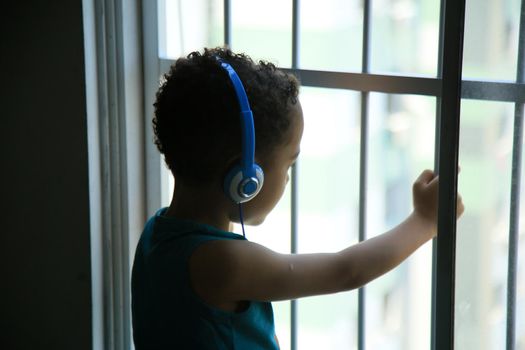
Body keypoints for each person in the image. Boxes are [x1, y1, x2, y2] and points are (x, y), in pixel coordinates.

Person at [131, 47, 464, 350]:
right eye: (289, 163)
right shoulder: (223, 263)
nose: (288, 177)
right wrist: (424, 221)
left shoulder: (155, 235)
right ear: (246, 180)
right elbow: (345, 271)